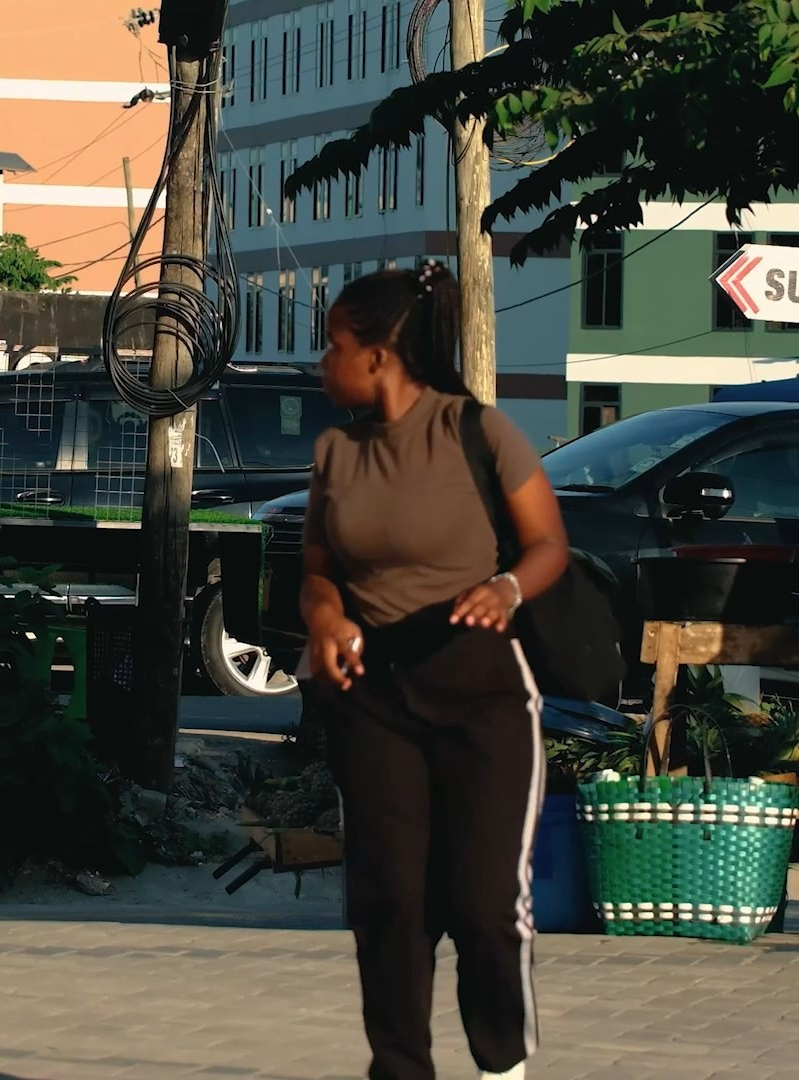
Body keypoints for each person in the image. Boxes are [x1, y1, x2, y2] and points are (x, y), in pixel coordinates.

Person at [301, 262, 567, 1080]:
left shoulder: (477, 431)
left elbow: (548, 545)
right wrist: (325, 617)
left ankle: (502, 1065)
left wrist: (507, 587)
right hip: (373, 697)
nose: (324, 362)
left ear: (378, 354)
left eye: (334, 346)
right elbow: (316, 573)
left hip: (480, 690)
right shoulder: (335, 451)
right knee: (390, 903)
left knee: (484, 902)